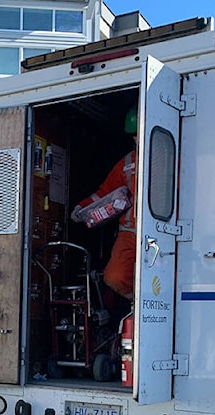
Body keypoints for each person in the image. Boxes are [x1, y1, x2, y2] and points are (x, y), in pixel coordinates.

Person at [72, 105, 139, 300]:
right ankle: (138, 305)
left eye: (139, 132)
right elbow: (105, 192)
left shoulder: (174, 156)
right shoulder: (126, 163)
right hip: (131, 232)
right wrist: (82, 208)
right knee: (114, 277)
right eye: (133, 134)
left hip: (165, 233)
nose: (136, 138)